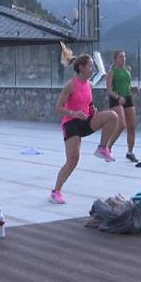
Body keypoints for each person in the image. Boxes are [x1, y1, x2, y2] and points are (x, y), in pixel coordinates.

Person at [50, 43, 120, 204]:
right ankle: (56, 191)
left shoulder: (89, 85)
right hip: (72, 124)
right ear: (81, 67)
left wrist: (91, 109)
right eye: (90, 66)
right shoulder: (70, 86)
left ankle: (103, 148)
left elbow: (87, 103)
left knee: (113, 116)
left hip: (86, 120)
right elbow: (58, 108)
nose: (92, 69)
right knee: (73, 160)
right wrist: (75, 113)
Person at [106, 50, 139, 162]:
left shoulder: (127, 70)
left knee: (132, 126)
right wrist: (118, 97)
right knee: (121, 125)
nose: (123, 58)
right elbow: (109, 90)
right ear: (115, 59)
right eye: (120, 57)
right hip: (116, 99)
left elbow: (127, 85)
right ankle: (107, 148)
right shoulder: (112, 72)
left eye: (124, 56)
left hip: (128, 97)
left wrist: (133, 89)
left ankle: (130, 152)